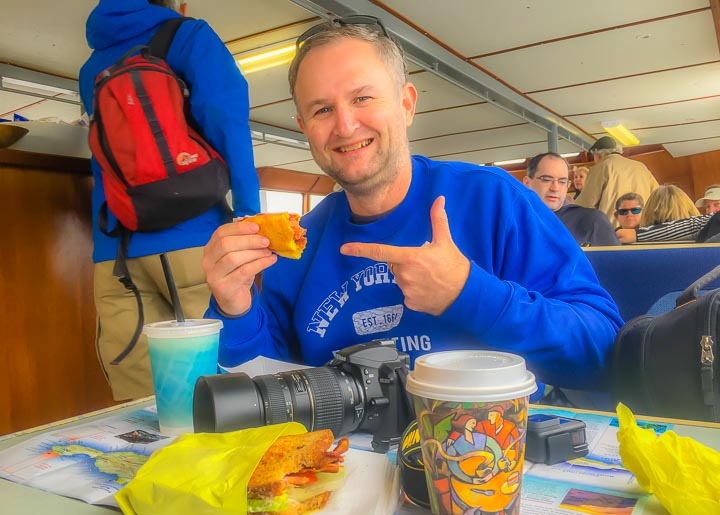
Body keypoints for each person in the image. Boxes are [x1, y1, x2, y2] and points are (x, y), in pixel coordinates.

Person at [201, 17, 623, 395]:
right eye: (322, 109)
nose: (345, 125)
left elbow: (603, 353)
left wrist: (469, 294)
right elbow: (263, 390)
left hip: (488, 460)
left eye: (363, 98)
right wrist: (235, 307)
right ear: (304, 128)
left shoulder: (495, 200)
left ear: (406, 104)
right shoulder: (297, 245)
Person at [79, 0, 260, 400]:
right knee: (229, 387)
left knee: (142, 397)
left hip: (115, 251)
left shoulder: (92, 66)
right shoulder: (189, 36)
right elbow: (226, 118)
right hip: (196, 244)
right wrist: (248, 212)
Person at [523, 153, 619, 247]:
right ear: (527, 183)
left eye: (562, 182)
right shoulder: (512, 221)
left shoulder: (593, 221)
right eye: (546, 180)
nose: (555, 188)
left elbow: (613, 261)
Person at [575, 136, 658, 228]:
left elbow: (585, 203)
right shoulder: (641, 167)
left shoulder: (601, 167)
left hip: (612, 230)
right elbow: (658, 197)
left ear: (597, 154)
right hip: (642, 229)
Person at [616, 185, 706, 244]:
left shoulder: (628, 245)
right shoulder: (707, 239)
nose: (629, 214)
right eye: (623, 211)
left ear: (647, 211)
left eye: (635, 210)